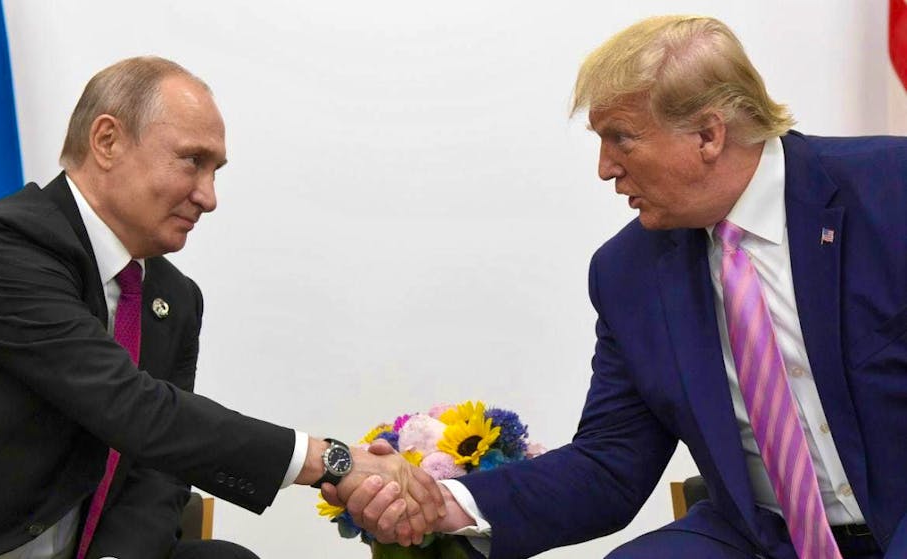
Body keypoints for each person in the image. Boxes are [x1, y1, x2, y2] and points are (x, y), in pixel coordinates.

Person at [330, 15, 907, 559]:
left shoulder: (889, 191)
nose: (606, 168)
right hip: (761, 537)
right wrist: (447, 505)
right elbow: (611, 464)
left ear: (708, 133)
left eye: (621, 138)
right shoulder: (627, 272)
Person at [0, 56, 442, 559]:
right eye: (192, 161)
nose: (209, 197)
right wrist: (328, 461)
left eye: (216, 171)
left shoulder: (173, 296)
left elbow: (156, 468)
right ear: (106, 141)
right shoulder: (4, 247)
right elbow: (134, 409)